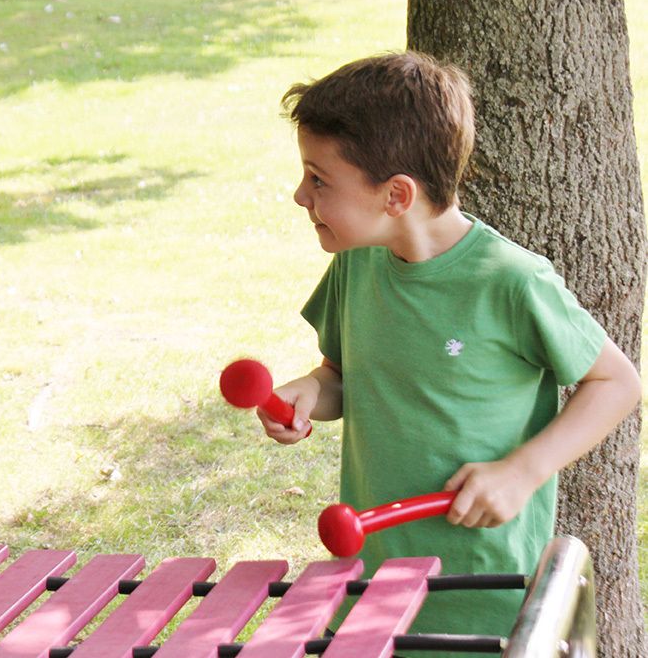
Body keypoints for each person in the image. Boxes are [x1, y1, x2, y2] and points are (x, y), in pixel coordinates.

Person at [266, 51, 640, 647]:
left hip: (482, 595)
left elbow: (617, 383)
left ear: (395, 196)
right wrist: (309, 393)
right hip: (372, 577)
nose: (299, 195)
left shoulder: (510, 280)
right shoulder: (357, 266)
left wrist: (524, 471)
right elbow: (341, 374)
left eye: (319, 179)